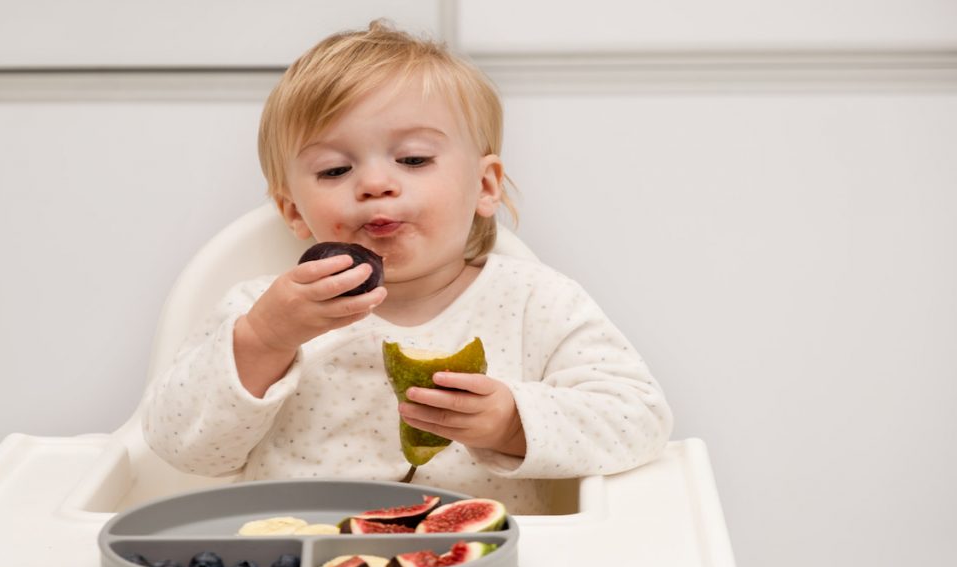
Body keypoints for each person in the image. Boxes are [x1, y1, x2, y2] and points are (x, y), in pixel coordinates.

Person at [142, 20, 672, 515]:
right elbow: (182, 448)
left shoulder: (538, 302)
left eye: (414, 160)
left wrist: (511, 422)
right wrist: (264, 340)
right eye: (334, 169)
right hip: (295, 561)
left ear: (486, 187)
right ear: (293, 211)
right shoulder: (259, 310)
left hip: (478, 565)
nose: (375, 183)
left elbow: (640, 419)